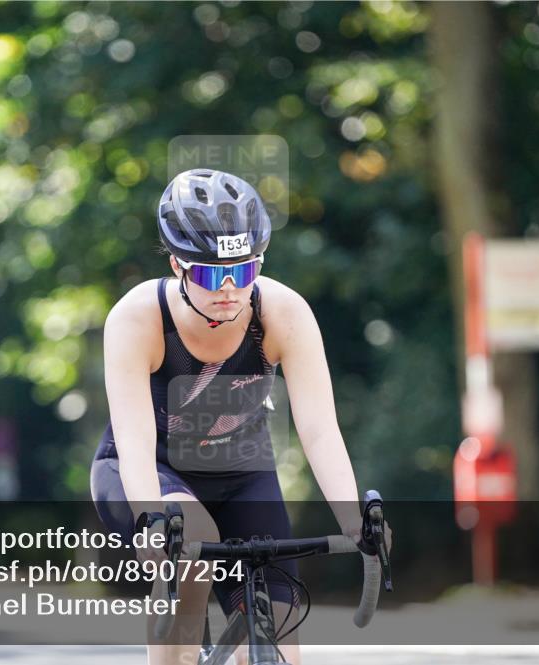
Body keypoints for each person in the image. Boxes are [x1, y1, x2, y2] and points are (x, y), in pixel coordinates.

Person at [91, 169, 392, 665]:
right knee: (192, 548)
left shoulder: (283, 312)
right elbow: (136, 439)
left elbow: (318, 427)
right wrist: (150, 520)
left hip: (241, 474)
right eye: (212, 274)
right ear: (177, 265)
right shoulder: (137, 318)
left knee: (282, 643)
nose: (230, 289)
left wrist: (352, 519)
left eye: (245, 270)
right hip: (147, 469)